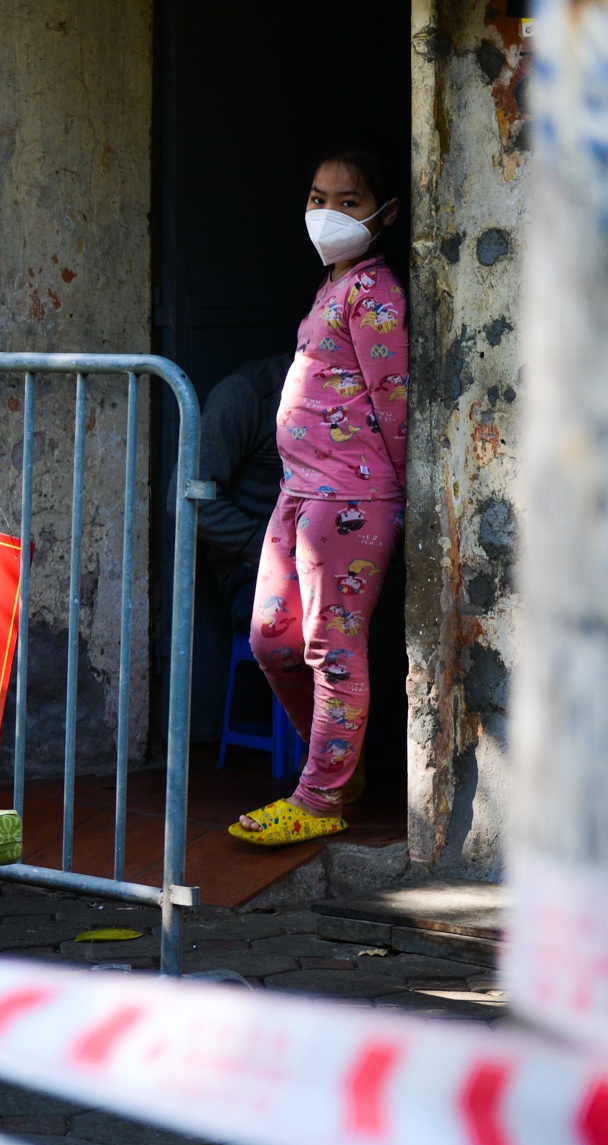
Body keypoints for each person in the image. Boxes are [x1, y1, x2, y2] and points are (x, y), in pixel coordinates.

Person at [231, 148, 407, 846]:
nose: (327, 213)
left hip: (351, 498)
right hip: (298, 491)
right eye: (316, 197)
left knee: (333, 647)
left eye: (349, 200)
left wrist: (392, 489)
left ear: (384, 214)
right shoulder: (331, 288)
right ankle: (336, 762)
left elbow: (393, 399)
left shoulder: (375, 293)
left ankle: (321, 796)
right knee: (272, 638)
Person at [197, 355, 291, 631]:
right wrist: (271, 547)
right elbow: (190, 502)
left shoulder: (359, 396)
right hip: (254, 566)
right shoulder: (248, 393)